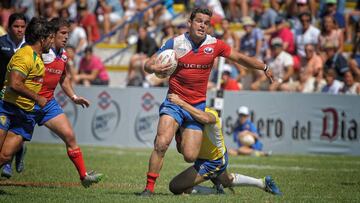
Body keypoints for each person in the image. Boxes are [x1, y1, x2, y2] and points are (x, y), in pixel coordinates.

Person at [140, 8, 274, 195]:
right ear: (190, 23)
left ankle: (180, 134)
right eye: (199, 21)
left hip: (196, 106)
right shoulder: (175, 42)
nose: (202, 25)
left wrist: (264, 67)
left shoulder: (215, 45)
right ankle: (149, 189)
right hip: (174, 101)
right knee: (161, 143)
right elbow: (148, 64)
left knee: (190, 155)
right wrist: (154, 66)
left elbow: (241, 58)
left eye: (206, 22)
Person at [167, 94, 281, 195]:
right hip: (207, 158)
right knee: (226, 181)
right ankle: (262, 183)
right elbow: (182, 150)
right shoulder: (184, 117)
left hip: (213, 160)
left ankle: (216, 191)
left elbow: (206, 119)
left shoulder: (210, 113)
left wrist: (182, 103)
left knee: (175, 186)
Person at [37, 17, 103, 187]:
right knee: (7, 153)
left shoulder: (64, 55)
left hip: (48, 103)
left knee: (70, 136)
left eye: (68, 33)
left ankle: (84, 177)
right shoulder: (42, 52)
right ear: (53, 34)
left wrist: (74, 97)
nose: (67, 37)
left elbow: (63, 79)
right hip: (28, 101)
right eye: (63, 33)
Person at [0, 17, 54, 178]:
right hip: (7, 108)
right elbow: (15, 83)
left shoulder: (39, 58)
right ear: (42, 39)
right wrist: (37, 98)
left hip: (26, 114)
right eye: (51, 38)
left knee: (5, 156)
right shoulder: (25, 55)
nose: (52, 42)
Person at [0, 13, 27, 178]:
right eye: (16, 26)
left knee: (14, 129)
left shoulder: (29, 47)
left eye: (23, 27)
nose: (19, 30)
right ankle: (15, 154)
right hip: (2, 94)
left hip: (21, 96)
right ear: (9, 27)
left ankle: (11, 159)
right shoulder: (1, 43)